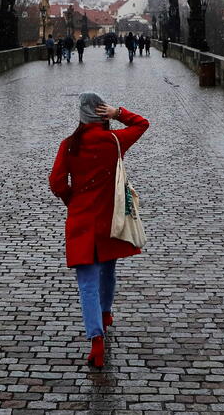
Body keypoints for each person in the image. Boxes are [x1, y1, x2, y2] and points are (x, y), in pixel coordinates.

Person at [49, 93, 150, 368]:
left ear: (81, 117)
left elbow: (56, 182)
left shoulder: (69, 145)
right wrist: (118, 112)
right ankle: (106, 314)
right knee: (108, 268)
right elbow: (142, 124)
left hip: (82, 221)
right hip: (109, 219)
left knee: (87, 282)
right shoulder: (114, 141)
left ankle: (96, 340)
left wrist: (73, 200)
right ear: (101, 115)